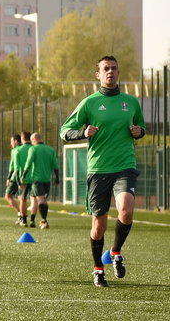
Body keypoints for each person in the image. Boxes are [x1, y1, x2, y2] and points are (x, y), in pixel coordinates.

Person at [60, 55, 145, 288]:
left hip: (125, 166)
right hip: (98, 169)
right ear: (98, 74)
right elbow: (64, 131)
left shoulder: (131, 102)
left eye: (114, 68)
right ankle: (98, 268)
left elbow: (141, 128)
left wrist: (139, 131)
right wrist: (83, 132)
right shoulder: (89, 103)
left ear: (119, 73)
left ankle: (116, 252)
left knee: (126, 211)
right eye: (105, 69)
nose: (110, 72)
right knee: (99, 225)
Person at [21, 132, 59, 229]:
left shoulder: (33, 149)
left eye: (32, 141)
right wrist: (57, 178)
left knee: (40, 199)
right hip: (47, 179)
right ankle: (34, 220)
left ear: (34, 140)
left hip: (37, 179)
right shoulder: (50, 150)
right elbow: (55, 165)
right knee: (39, 199)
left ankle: (44, 221)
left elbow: (28, 163)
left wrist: (23, 175)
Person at [4, 134, 23, 224]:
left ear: (16, 141)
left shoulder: (15, 150)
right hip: (25, 176)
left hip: (15, 177)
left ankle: (20, 214)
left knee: (7, 196)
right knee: (21, 197)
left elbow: (13, 166)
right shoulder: (26, 149)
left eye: (11, 141)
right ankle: (23, 216)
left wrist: (8, 178)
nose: (11, 143)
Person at [16, 131, 33, 226]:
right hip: (35, 177)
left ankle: (23, 219)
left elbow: (17, 168)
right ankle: (33, 219)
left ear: (22, 139)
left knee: (23, 199)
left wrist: (18, 182)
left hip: (24, 179)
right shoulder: (34, 148)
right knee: (34, 199)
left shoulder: (18, 150)